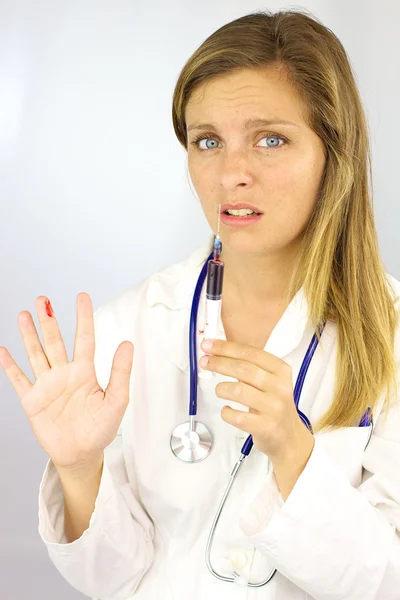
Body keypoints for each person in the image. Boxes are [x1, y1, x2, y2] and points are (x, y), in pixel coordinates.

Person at [1, 8, 400, 599]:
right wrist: (80, 469)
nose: (231, 174)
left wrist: (294, 452)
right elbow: (114, 579)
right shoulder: (126, 333)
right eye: (207, 141)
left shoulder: (389, 335)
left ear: (333, 155)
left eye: (271, 139)